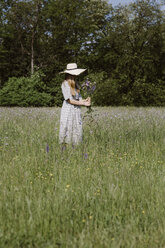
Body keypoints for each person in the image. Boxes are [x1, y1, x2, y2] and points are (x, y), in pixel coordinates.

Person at [59, 63, 91, 146]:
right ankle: (65, 146)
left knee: (76, 127)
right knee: (68, 126)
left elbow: (79, 98)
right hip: (68, 109)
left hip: (76, 110)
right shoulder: (65, 84)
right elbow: (69, 100)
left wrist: (85, 100)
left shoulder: (76, 84)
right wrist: (82, 103)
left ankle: (75, 146)